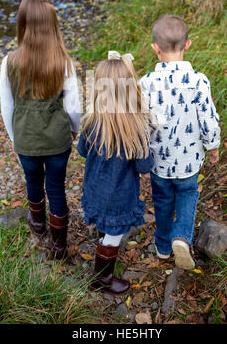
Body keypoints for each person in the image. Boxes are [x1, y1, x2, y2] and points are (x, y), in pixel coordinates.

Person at [0, 0, 81, 260]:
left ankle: (37, 224)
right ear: (53, 24)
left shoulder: (9, 62)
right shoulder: (64, 61)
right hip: (57, 139)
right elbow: (73, 107)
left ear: (22, 24)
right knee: (56, 186)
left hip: (26, 139)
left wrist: (15, 138)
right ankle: (59, 247)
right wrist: (74, 129)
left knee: (32, 179)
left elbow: (7, 107)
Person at [139, 14, 220, 270]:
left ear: (155, 48)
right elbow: (208, 117)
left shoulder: (146, 83)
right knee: (187, 194)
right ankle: (182, 237)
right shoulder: (198, 81)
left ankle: (163, 246)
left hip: (159, 161)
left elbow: (141, 122)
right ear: (188, 45)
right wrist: (213, 144)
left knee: (162, 200)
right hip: (188, 160)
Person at [77, 51, 153, 295]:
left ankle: (102, 240)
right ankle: (102, 279)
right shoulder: (136, 128)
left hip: (95, 189)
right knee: (114, 234)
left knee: (105, 225)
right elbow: (144, 167)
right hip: (119, 197)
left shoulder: (91, 122)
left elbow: (81, 150)